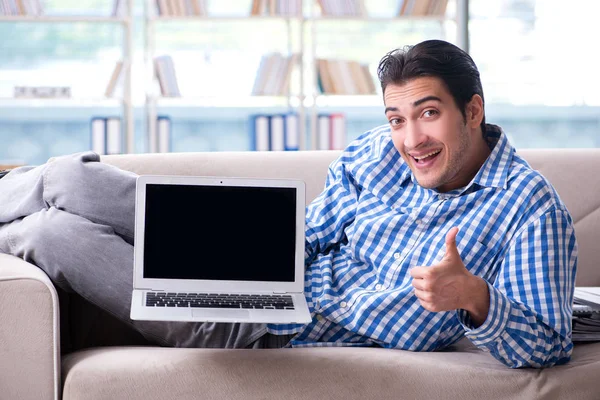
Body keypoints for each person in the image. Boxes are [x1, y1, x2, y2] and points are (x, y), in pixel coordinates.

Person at [0, 39, 576, 368]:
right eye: (397, 119)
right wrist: (234, 237)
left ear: (472, 110)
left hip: (271, 329)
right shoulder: (383, 153)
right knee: (69, 178)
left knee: (52, 236)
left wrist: (473, 297)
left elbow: (548, 342)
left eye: (429, 114)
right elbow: (313, 232)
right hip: (270, 259)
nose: (411, 140)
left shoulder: (529, 208)